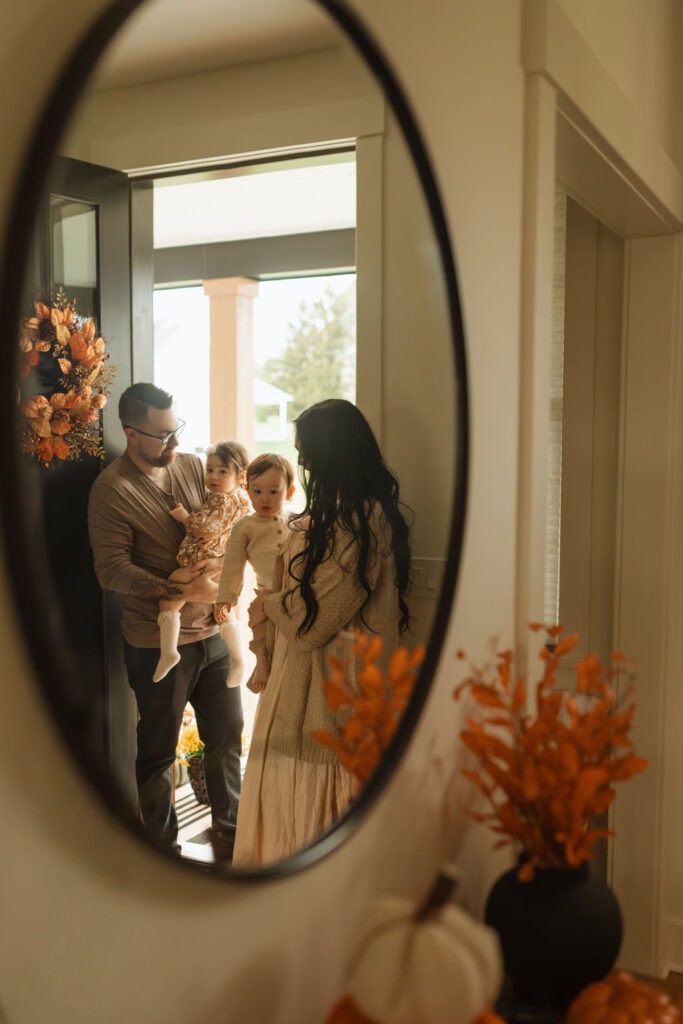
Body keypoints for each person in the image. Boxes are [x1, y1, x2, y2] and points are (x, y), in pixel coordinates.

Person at [232, 399, 412, 866]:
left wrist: (269, 603)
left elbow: (315, 621)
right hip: (299, 681)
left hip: (334, 689)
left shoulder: (363, 521)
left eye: (308, 453)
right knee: (289, 812)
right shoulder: (334, 513)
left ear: (334, 453)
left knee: (319, 818)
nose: (305, 464)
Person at [87, 382, 244, 862]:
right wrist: (182, 591)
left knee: (227, 740)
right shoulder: (112, 491)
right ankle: (162, 856)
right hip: (156, 643)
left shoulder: (195, 467)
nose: (175, 442)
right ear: (131, 433)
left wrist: (227, 569)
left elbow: (225, 526)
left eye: (177, 429)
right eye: (162, 435)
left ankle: (231, 843)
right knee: (158, 754)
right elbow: (111, 570)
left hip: (214, 634)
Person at [153, 440, 250, 684]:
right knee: (223, 611)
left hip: (200, 561)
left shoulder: (220, 499)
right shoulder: (241, 500)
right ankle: (239, 660)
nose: (214, 477)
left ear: (241, 476)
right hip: (220, 563)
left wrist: (184, 517)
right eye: (210, 470)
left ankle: (168, 651)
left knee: (170, 593)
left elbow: (205, 529)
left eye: (223, 471)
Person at [214, 453, 296, 694]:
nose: (264, 499)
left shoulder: (295, 520)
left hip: (297, 591)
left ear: (289, 493)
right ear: (248, 491)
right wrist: (226, 597)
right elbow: (232, 565)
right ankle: (261, 662)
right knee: (260, 627)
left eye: (273, 492)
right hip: (268, 592)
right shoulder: (245, 526)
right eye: (257, 492)